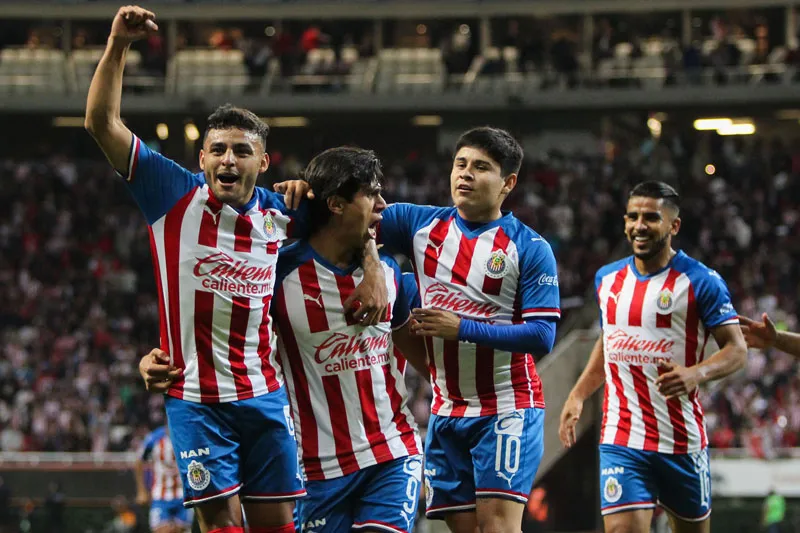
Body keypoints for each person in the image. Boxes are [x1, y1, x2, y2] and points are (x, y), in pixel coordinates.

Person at [85, 7, 388, 532]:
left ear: (263, 162)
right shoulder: (170, 193)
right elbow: (101, 124)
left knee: (277, 527)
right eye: (218, 150)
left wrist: (373, 266)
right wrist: (116, 45)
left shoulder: (285, 209)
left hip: (264, 396)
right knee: (222, 527)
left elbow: (368, 215)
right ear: (201, 157)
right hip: (195, 400)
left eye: (241, 151)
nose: (228, 160)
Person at [277, 126, 560, 533]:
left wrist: (461, 327)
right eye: (460, 164)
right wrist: (308, 189)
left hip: (506, 403)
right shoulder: (419, 225)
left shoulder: (529, 247)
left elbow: (541, 337)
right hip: (447, 409)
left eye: (481, 167)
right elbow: (347, 218)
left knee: (497, 527)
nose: (465, 174)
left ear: (508, 183)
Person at [144, 147, 427, 532]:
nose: (383, 203)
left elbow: (424, 361)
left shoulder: (392, 276)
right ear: (336, 205)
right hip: (315, 469)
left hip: (392, 452)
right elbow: (219, 325)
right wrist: (157, 357)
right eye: (371, 193)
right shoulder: (279, 275)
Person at [558, 181, 747, 533]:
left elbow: (737, 349)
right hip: (622, 437)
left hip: (680, 440)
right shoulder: (607, 280)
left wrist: (695, 374)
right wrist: (578, 393)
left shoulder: (701, 281)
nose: (639, 225)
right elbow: (610, 342)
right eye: (632, 216)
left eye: (650, 217)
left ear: (673, 226)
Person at [135, 426, 193, 533]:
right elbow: (139, 461)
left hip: (184, 495)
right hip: (161, 496)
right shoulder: (154, 438)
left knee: (184, 530)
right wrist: (141, 490)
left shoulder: (187, 434)